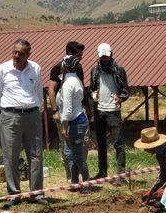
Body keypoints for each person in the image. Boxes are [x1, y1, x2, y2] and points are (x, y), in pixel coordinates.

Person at [0, 39, 48, 209]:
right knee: (10, 156)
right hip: (10, 116)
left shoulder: (35, 68)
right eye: (14, 52)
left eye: (21, 53)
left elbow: (38, 91)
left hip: (32, 115)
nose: (16, 56)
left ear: (28, 55)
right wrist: (10, 110)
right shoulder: (2, 69)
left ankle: (36, 193)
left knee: (36, 154)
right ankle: (14, 193)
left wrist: (35, 108)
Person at [45, 42, 86, 181]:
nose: (80, 58)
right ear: (70, 54)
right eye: (78, 55)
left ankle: (79, 175)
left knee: (80, 145)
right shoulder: (58, 68)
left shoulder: (78, 69)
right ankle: (70, 175)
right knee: (66, 145)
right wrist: (55, 110)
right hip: (63, 113)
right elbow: (51, 89)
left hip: (77, 113)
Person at [89, 43, 129, 183]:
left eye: (106, 56)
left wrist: (120, 98)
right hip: (99, 110)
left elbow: (125, 91)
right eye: (102, 56)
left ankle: (120, 175)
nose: (104, 59)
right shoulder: (94, 70)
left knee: (118, 143)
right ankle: (102, 172)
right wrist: (93, 95)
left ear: (111, 54)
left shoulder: (119, 70)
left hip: (113, 111)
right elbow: (91, 89)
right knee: (101, 143)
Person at [57, 55, 90, 190]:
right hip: (78, 120)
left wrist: (64, 126)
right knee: (71, 154)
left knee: (77, 156)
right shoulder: (76, 80)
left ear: (65, 66)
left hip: (74, 122)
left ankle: (87, 184)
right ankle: (75, 182)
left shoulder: (68, 84)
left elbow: (68, 109)